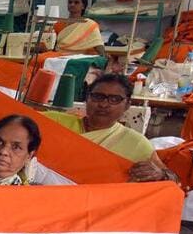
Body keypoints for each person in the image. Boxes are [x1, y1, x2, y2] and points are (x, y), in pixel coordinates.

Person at [43, 74, 177, 182]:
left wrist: (160, 174)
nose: (103, 104)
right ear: (87, 99)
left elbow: (174, 182)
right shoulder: (54, 121)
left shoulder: (135, 143)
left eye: (114, 99)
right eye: (97, 97)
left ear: (127, 105)